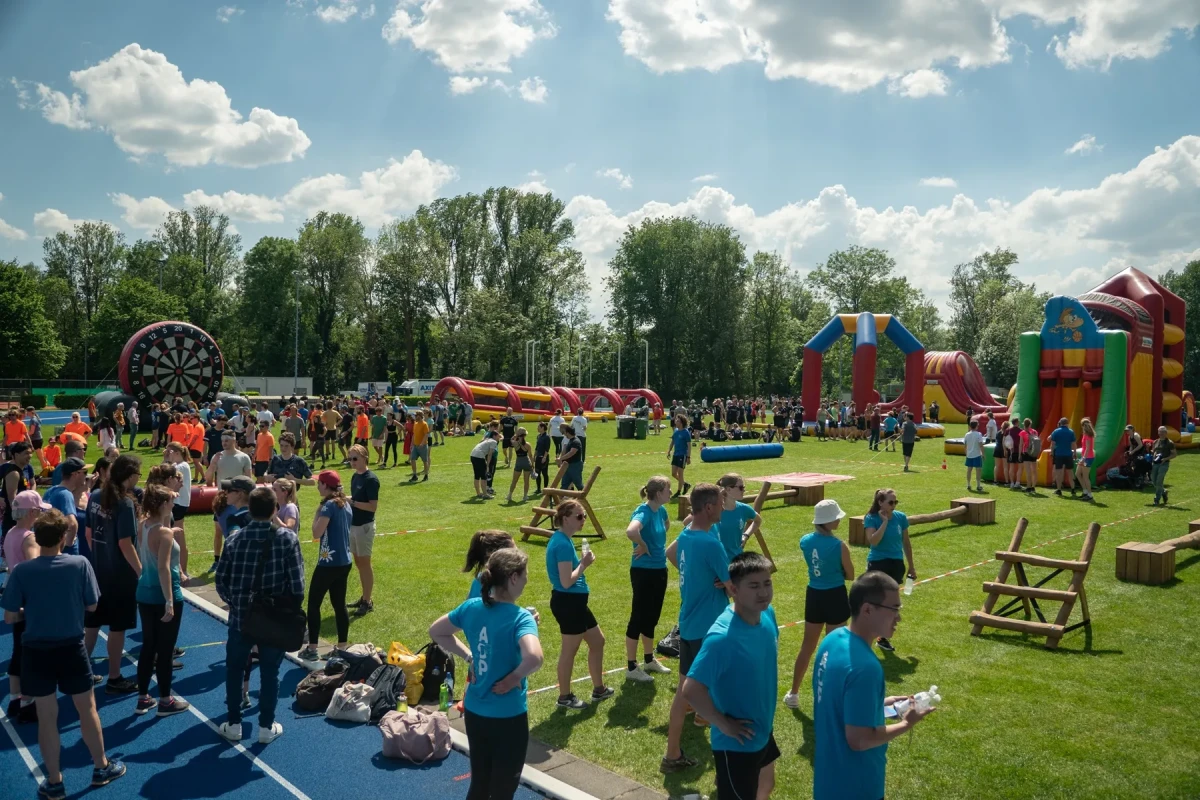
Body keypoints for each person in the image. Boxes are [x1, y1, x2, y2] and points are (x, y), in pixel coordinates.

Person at [3, 510, 127, 797]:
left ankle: (55, 782)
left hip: (35, 651)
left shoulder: (22, 572)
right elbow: (93, 606)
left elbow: (10, 617)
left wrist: (32, 610)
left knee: (47, 717)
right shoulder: (79, 564)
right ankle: (101, 767)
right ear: (62, 538)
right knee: (87, 710)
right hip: (72, 648)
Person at [430, 547, 543, 800]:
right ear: (513, 578)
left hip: (475, 712)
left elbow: (436, 631)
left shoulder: (471, 607)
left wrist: (470, 656)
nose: (527, 580)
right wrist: (513, 679)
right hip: (508, 716)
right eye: (525, 574)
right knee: (503, 789)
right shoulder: (520, 618)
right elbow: (535, 657)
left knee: (480, 782)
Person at [812, 572, 935, 800]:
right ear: (867, 609)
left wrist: (882, 704)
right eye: (894, 609)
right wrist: (907, 723)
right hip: (856, 786)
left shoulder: (833, 639)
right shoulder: (866, 668)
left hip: (827, 780)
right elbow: (859, 740)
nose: (898, 618)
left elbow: (837, 702)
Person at [683, 552, 779, 800]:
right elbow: (691, 689)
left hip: (762, 729)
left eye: (767, 583)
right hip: (736, 744)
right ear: (733, 589)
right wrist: (723, 723)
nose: (763, 593)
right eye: (754, 586)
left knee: (766, 786)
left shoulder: (767, 615)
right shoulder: (722, 638)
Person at [215, 486, 305, 744]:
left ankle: (234, 723)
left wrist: (235, 602)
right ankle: (266, 726)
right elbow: (298, 587)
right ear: (274, 509)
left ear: (250, 510)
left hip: (241, 618)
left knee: (234, 669)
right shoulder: (288, 539)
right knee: (270, 672)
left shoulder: (233, 540)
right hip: (274, 619)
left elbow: (221, 581)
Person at [661, 483, 734, 773]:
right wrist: (726, 584)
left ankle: (672, 753)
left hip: (689, 626)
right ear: (708, 507)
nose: (722, 509)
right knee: (725, 692)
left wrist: (701, 575)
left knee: (684, 692)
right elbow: (733, 588)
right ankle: (730, 759)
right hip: (711, 630)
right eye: (719, 503)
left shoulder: (686, 536)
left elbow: (672, 555)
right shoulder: (710, 544)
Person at [784, 499, 854, 708]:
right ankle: (832, 697)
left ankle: (794, 693)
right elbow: (850, 574)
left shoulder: (805, 541)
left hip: (814, 595)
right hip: (835, 596)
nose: (839, 521)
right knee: (834, 649)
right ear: (828, 521)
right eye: (836, 518)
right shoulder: (839, 546)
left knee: (807, 646)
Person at [83, 454, 143, 695]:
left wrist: (99, 556)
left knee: (93, 624)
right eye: (138, 474)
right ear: (129, 476)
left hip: (97, 572)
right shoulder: (125, 503)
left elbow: (89, 535)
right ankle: (115, 677)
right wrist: (141, 573)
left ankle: (82, 669)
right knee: (118, 627)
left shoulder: (96, 495)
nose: (140, 478)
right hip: (120, 577)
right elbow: (125, 543)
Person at [545, 500, 613, 710]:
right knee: (569, 651)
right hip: (568, 603)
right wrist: (584, 564)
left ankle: (598, 689)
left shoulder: (563, 540)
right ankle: (564, 696)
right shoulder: (563, 544)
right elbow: (566, 581)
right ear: (565, 519)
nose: (583, 520)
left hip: (575, 603)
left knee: (597, 641)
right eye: (579, 516)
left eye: (583, 516)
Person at [133, 485, 190, 716]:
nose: (173, 504)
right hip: (165, 595)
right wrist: (169, 600)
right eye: (170, 501)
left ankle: (143, 697)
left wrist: (170, 532)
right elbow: (164, 568)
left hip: (144, 593)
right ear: (162, 505)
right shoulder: (164, 533)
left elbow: (152, 545)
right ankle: (165, 700)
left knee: (148, 646)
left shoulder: (143, 525)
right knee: (165, 651)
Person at [623, 476, 674, 684]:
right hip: (643, 572)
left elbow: (667, 525)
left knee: (652, 616)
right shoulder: (643, 511)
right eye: (668, 489)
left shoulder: (661, 511)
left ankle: (649, 659)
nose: (671, 492)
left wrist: (654, 544)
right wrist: (643, 545)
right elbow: (631, 531)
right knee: (639, 616)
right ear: (659, 492)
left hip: (659, 570)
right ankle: (631, 666)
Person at [298, 471, 353, 660]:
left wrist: (316, 513)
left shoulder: (328, 506)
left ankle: (312, 648)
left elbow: (316, 532)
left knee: (314, 604)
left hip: (328, 562)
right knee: (339, 604)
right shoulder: (345, 503)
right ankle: (342, 648)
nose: (317, 486)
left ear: (325, 485)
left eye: (319, 483)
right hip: (345, 561)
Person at [4, 491, 49, 722]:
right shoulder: (29, 537)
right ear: (32, 512)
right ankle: (28, 704)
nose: (42, 514)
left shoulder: (11, 532)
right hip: (31, 602)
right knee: (32, 653)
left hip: (17, 597)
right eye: (40, 510)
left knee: (18, 649)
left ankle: (14, 699)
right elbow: (34, 568)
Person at [861, 489, 915, 653]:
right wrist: (884, 522)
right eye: (890, 502)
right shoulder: (871, 518)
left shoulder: (900, 517)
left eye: (895, 502)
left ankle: (882, 638)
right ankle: (864, 635)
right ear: (880, 503)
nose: (894, 505)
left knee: (890, 602)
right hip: (877, 564)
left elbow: (906, 542)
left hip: (896, 564)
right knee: (874, 601)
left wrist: (911, 566)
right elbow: (873, 541)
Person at [347, 444, 380, 615]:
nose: (351, 461)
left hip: (364, 527)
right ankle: (364, 597)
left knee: (365, 564)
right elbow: (357, 498)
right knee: (359, 563)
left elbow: (372, 507)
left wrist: (352, 503)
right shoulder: (355, 477)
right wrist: (345, 498)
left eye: (354, 458)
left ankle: (367, 601)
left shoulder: (371, 479)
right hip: (354, 525)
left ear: (364, 457)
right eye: (350, 458)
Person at [209, 475, 253, 574]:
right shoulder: (260, 515)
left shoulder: (235, 518)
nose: (225, 493)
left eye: (229, 491)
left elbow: (234, 536)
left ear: (240, 494)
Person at [712, 473, 762, 561]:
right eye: (741, 487)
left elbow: (758, 521)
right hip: (717, 560)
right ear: (728, 489)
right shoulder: (714, 510)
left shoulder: (744, 509)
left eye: (744, 487)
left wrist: (746, 535)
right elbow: (689, 523)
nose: (744, 490)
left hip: (737, 560)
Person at [163, 443, 193, 580]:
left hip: (179, 504)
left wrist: (166, 460)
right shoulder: (180, 465)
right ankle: (180, 569)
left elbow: (163, 472)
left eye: (169, 452)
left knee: (179, 537)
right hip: (178, 503)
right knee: (176, 536)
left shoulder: (181, 466)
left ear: (174, 452)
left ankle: (183, 570)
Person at [45, 458, 87, 556]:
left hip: (49, 546)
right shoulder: (66, 494)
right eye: (84, 472)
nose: (86, 476)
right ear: (75, 474)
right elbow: (72, 524)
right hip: (65, 552)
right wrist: (68, 547)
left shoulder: (50, 491)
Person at [1049, 417, 1077, 497]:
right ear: (1067, 423)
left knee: (1059, 472)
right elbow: (1074, 444)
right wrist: (1074, 453)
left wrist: (1051, 452)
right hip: (1068, 454)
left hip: (1059, 454)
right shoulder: (1071, 432)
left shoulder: (1056, 431)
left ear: (1060, 423)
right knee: (1070, 472)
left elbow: (1053, 444)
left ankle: (1059, 489)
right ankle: (1073, 489)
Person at [1150, 425, 1177, 506]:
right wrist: (1152, 452)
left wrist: (1165, 459)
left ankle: (1157, 499)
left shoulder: (1170, 443)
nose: (1161, 433)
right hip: (1155, 464)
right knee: (1153, 480)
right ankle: (1164, 492)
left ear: (1166, 433)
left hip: (1164, 464)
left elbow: (1174, 454)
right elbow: (1154, 451)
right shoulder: (1155, 442)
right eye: (1160, 432)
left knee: (1159, 481)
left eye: (1163, 432)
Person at [471, 429, 500, 499]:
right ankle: (485, 494)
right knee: (484, 476)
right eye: (498, 436)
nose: (498, 438)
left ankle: (478, 493)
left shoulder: (486, 439)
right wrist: (487, 465)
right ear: (494, 436)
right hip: (479, 457)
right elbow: (490, 454)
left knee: (477, 475)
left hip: (473, 455)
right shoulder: (493, 442)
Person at [668, 414, 692, 498]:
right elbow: (673, 441)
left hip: (683, 455)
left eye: (677, 421)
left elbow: (689, 445)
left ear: (681, 422)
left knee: (680, 473)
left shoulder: (686, 432)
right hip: (676, 454)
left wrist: (688, 457)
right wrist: (669, 451)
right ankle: (685, 484)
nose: (675, 422)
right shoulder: (675, 431)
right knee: (674, 473)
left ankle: (678, 491)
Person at [507, 427, 533, 502]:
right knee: (526, 481)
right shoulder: (528, 444)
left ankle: (510, 495)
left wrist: (515, 436)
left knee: (514, 480)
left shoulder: (515, 443)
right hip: (526, 462)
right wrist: (532, 465)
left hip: (518, 462)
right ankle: (525, 496)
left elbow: (511, 440)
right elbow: (530, 455)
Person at [557, 424, 585, 491]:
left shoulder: (576, 441)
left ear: (568, 432)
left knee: (578, 485)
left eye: (565, 432)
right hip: (567, 466)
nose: (564, 434)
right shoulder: (570, 441)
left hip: (575, 466)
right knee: (564, 485)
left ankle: (581, 499)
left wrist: (561, 458)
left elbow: (571, 453)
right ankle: (562, 500)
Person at [1076, 418, 1096, 502]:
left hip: (1087, 458)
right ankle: (1085, 491)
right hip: (1085, 457)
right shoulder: (1087, 434)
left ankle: (1089, 495)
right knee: (1077, 473)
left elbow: (1088, 449)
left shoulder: (1087, 435)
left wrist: (1083, 459)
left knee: (1085, 476)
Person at [408, 409, 431, 483]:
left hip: (423, 446)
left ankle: (426, 475)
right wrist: (412, 443)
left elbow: (426, 434)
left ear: (420, 416)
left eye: (416, 415)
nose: (415, 417)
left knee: (425, 460)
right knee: (412, 459)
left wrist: (422, 443)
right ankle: (415, 475)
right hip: (415, 445)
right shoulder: (415, 424)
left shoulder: (424, 424)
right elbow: (414, 434)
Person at [963, 419, 985, 492]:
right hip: (977, 454)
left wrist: (966, 453)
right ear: (976, 426)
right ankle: (978, 485)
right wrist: (983, 454)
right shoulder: (978, 434)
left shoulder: (967, 434)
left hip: (969, 454)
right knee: (978, 470)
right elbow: (981, 445)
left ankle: (968, 484)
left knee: (969, 470)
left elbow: (965, 445)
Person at [1020, 418, 1039, 494]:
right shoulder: (1034, 432)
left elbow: (1021, 444)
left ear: (1024, 424)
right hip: (1034, 452)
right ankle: (1033, 486)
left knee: (1028, 471)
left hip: (1026, 452)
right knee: (1034, 470)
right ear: (1030, 424)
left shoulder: (1022, 432)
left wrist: (1019, 454)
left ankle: (1028, 486)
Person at [533, 421, 551, 494]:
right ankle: (538, 489)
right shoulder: (539, 436)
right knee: (537, 473)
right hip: (538, 457)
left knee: (544, 473)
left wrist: (544, 457)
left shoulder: (547, 437)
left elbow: (547, 448)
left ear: (543, 428)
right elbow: (537, 447)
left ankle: (545, 488)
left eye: (539, 427)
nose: (537, 428)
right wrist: (534, 456)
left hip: (543, 457)